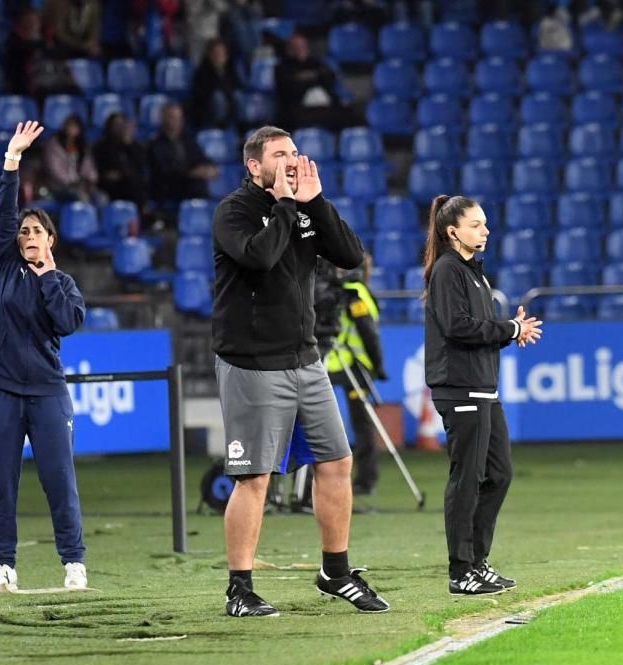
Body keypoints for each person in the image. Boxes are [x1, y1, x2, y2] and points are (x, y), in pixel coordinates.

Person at [212, 125, 390, 617]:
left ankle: (335, 571)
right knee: (255, 478)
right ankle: (240, 589)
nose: (293, 159)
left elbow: (351, 257)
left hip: (306, 359)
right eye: (280, 154)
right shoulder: (235, 211)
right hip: (252, 364)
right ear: (255, 166)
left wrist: (316, 203)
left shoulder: (305, 207)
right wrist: (288, 207)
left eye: (295, 151)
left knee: (336, 462)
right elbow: (262, 257)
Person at [0, 120, 88, 591]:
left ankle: (74, 564)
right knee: (1, 485)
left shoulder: (62, 285)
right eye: (23, 231)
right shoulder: (3, 266)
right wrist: (12, 161)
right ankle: (3, 566)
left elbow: (66, 322)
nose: (27, 235)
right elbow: (3, 214)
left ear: (50, 240)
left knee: (59, 482)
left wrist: (46, 276)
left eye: (36, 231)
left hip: (46, 394)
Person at [422, 194, 543, 596]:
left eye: (485, 223)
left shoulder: (475, 272)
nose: (485, 230)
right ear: (452, 231)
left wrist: (512, 331)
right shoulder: (447, 270)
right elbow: (458, 327)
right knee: (466, 478)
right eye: (476, 224)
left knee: (500, 473)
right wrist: (508, 329)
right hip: (460, 387)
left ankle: (477, 561)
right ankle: (461, 571)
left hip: (483, 386)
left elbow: (481, 328)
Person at [324, 256, 388, 497]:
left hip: (347, 364)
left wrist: (377, 365)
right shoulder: (350, 291)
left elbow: (366, 329)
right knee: (362, 425)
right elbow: (370, 333)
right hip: (346, 364)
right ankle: (365, 480)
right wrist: (378, 365)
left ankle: (365, 479)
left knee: (360, 424)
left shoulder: (354, 293)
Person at [274, 33, 360, 132]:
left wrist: (305, 78)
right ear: (289, 50)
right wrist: (313, 78)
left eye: (303, 46)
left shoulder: (316, 62)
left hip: (325, 108)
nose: (301, 50)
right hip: (299, 110)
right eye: (297, 47)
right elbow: (289, 87)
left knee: (350, 115)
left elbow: (329, 77)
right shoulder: (282, 67)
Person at [147, 103, 217, 203]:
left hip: (191, 186)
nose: (177, 122)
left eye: (179, 118)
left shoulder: (187, 140)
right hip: (170, 189)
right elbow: (166, 171)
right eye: (172, 118)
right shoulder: (156, 144)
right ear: (163, 119)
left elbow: (201, 158)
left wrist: (210, 168)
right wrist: (191, 173)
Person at [93, 112, 148, 213]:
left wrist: (128, 145)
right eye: (116, 125)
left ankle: (140, 217)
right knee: (132, 183)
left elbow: (140, 165)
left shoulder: (133, 145)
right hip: (108, 184)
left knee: (136, 182)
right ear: (109, 127)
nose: (119, 128)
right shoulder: (101, 146)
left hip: (129, 183)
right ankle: (142, 215)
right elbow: (100, 169)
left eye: (121, 125)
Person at [42, 113, 100, 203]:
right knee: (81, 198)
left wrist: (90, 180)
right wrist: (71, 182)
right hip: (59, 187)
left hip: (81, 185)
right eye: (70, 126)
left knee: (101, 198)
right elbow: (55, 169)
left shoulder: (83, 146)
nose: (72, 129)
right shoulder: (54, 145)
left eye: (75, 127)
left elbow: (89, 166)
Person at [189, 38, 239, 129]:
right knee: (218, 98)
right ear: (209, 55)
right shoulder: (202, 72)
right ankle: (219, 126)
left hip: (229, 109)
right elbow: (203, 95)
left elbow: (235, 88)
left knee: (238, 96)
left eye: (221, 53)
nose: (219, 56)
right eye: (216, 53)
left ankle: (238, 127)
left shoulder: (230, 71)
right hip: (207, 112)